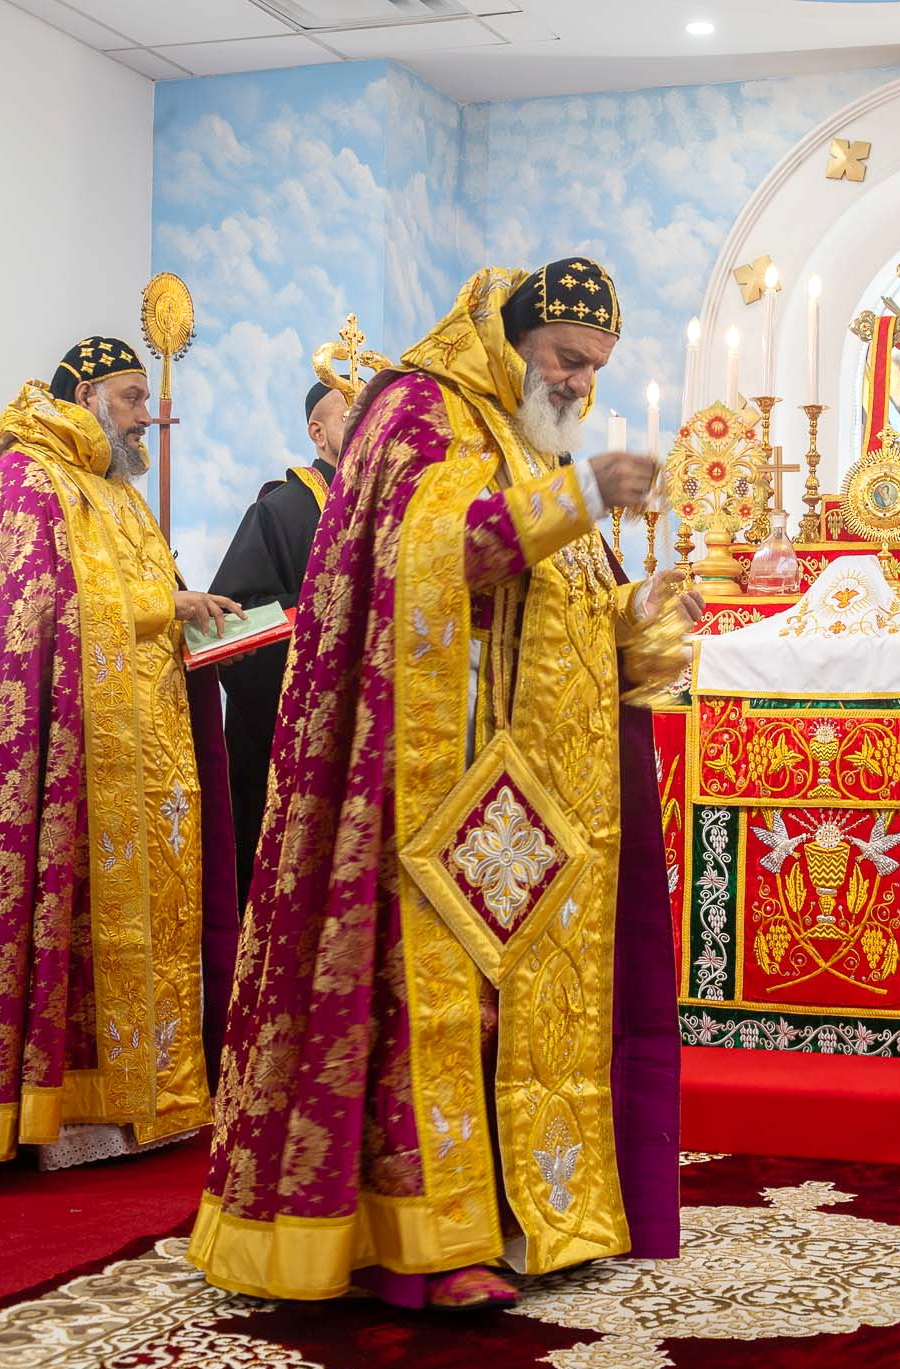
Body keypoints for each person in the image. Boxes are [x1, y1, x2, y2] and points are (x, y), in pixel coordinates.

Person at [191, 259, 698, 1311]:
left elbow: (557, 603)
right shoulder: (418, 410)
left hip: (538, 792)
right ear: (511, 336)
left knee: (526, 1009)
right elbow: (433, 562)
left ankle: (527, 1214)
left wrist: (636, 618)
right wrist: (582, 495)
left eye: (594, 369)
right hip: (427, 778)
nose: (577, 384)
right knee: (438, 1006)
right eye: (566, 359)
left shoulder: (532, 439)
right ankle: (429, 1238)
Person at [0, 337, 243, 1176]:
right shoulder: (26, 476)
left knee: (159, 924)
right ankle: (60, 1115)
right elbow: (41, 610)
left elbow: (148, 602)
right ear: (88, 396)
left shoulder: (120, 494)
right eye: (133, 398)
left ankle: (151, 1101)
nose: (145, 417)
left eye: (146, 400)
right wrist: (167, 608)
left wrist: (199, 623)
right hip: (70, 758)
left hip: (152, 754)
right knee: (77, 923)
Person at [208, 379, 350, 902]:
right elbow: (230, 627)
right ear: (318, 433)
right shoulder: (280, 511)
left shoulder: (400, 516)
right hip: (290, 741)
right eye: (349, 416)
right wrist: (332, 614)